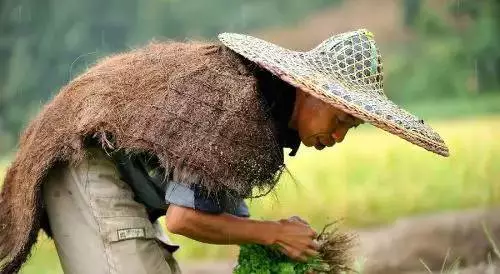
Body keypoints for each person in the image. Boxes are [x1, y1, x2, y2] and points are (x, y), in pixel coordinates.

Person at [0, 29, 449, 274]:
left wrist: (273, 238)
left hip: (107, 170)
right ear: (311, 93)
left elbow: (213, 198)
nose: (337, 137)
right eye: (341, 121)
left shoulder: (262, 114)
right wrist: (273, 234)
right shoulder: (235, 108)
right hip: (80, 161)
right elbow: (185, 219)